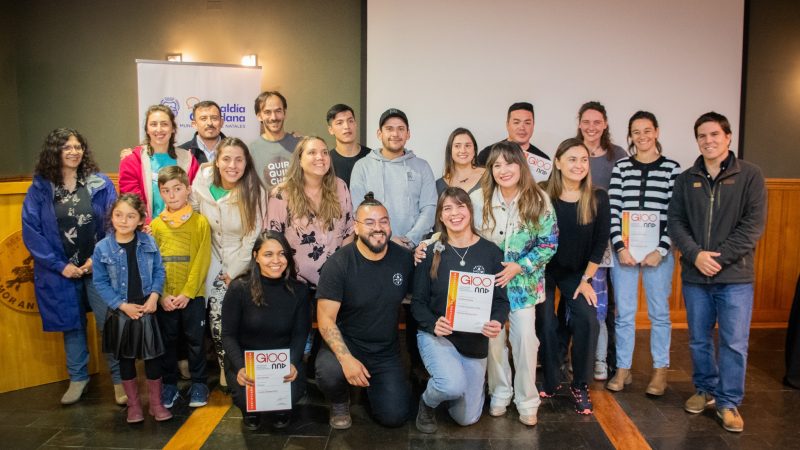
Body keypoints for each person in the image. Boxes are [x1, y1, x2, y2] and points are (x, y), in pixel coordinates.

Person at [668, 111, 767, 433]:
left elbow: (752, 226)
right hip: (696, 276)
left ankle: (728, 402)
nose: (708, 141)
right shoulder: (686, 179)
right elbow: (676, 222)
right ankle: (704, 390)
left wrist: (718, 258)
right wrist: (696, 256)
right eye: (702, 136)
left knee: (734, 342)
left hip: (735, 277)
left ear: (727, 137)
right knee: (698, 340)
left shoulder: (750, 176)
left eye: (714, 135)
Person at [21, 128, 125, 406]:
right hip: (61, 272)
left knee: (110, 324)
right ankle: (78, 378)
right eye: (66, 147)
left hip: (98, 267)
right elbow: (32, 231)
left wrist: (97, 259)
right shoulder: (41, 188)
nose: (73, 151)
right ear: (54, 152)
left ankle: (120, 381)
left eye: (78, 146)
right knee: (72, 325)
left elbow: (113, 223)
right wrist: (59, 266)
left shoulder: (100, 183)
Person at [470, 142, 558, 426]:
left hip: (523, 286)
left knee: (525, 341)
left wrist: (521, 265)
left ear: (521, 165)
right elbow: (460, 232)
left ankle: (527, 399)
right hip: (490, 287)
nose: (503, 170)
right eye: (497, 165)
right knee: (494, 341)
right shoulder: (479, 199)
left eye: (509, 163)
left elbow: (549, 244)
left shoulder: (539, 199)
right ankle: (500, 392)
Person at [411, 187, 509, 433]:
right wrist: (433, 324)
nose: (455, 213)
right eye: (447, 208)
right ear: (441, 217)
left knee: (467, 419)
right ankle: (428, 402)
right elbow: (418, 304)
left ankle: (455, 385)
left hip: (474, 341)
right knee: (450, 385)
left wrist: (496, 321)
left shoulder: (491, 252)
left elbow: (501, 301)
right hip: (438, 336)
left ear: (470, 210)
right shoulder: (430, 252)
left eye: (460, 206)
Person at [315, 193, 414, 429]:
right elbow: (325, 319)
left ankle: (375, 391)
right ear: (356, 228)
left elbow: (425, 293)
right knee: (328, 372)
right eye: (369, 223)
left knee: (395, 417)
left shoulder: (403, 259)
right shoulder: (339, 263)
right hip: (348, 343)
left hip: (385, 351)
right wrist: (346, 358)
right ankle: (340, 400)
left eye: (383, 221)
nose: (378, 228)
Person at [606, 111, 681, 395]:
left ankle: (660, 371)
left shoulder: (672, 169)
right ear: (630, 135)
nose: (642, 136)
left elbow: (675, 214)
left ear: (657, 132)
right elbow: (613, 209)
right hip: (624, 253)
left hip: (657, 255)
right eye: (636, 132)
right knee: (624, 313)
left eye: (647, 130)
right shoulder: (622, 168)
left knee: (659, 314)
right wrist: (619, 247)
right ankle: (623, 368)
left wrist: (661, 250)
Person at [192, 137, 267, 391]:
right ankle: (226, 366)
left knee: (237, 317)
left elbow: (253, 236)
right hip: (210, 258)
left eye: (238, 159)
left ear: (247, 163)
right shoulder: (201, 182)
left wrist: (233, 272)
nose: (232, 165)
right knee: (215, 319)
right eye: (226, 159)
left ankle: (243, 366)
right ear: (216, 161)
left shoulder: (256, 191)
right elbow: (192, 216)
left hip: (242, 262)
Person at [543, 138, 610, 415]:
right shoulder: (541, 195)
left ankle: (580, 384)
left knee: (587, 319)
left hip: (577, 274)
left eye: (583, 160)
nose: (578, 165)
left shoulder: (597, 197)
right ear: (558, 162)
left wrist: (586, 281)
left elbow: (599, 244)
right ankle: (551, 379)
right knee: (546, 323)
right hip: (543, 269)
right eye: (572, 159)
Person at [92, 194, 171, 423]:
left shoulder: (148, 242)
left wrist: (155, 296)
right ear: (111, 216)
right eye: (118, 215)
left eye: (130, 216)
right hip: (122, 312)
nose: (123, 220)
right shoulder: (102, 248)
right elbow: (100, 282)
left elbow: (158, 271)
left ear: (140, 220)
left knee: (153, 359)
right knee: (125, 360)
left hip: (147, 307)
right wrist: (122, 305)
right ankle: (134, 406)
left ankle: (156, 405)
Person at [221, 231, 311, 431]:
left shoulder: (299, 290)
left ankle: (281, 407)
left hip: (283, 361)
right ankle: (249, 410)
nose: (276, 260)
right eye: (268, 254)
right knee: (246, 400)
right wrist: (240, 367)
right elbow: (228, 335)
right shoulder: (239, 288)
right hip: (247, 361)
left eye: (282, 254)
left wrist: (293, 363)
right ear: (256, 256)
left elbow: (299, 334)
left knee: (292, 394)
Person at [574, 101, 627, 382]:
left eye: (597, 122)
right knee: (580, 300)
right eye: (586, 121)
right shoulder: (572, 149)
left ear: (605, 123)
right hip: (577, 236)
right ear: (579, 123)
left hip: (608, 239)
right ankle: (581, 356)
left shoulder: (617, 155)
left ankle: (607, 359)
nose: (591, 127)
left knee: (608, 304)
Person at [151, 166, 212, 408]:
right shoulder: (156, 226)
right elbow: (154, 262)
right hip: (165, 298)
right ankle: (169, 386)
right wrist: (163, 294)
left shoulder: (199, 223)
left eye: (177, 189)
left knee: (196, 342)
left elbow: (202, 259)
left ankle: (199, 383)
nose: (172, 195)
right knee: (167, 342)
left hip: (192, 297)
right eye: (166, 191)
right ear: (160, 194)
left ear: (188, 190)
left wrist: (188, 292)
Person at [268, 136, 355, 287]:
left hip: (335, 281)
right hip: (295, 283)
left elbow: (349, 231)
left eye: (325, 152)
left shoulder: (340, 187)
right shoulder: (282, 193)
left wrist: (344, 270)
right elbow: (272, 238)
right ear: (299, 160)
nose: (320, 157)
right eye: (312, 152)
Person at [349, 108, 437, 249]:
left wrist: (409, 240)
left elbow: (429, 208)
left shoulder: (422, 167)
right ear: (379, 133)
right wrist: (382, 240)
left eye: (401, 129)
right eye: (389, 128)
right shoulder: (362, 166)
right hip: (373, 248)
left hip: (412, 249)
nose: (395, 134)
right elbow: (358, 211)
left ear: (408, 134)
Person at [119, 104, 200, 222]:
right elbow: (131, 201)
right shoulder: (132, 161)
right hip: (146, 230)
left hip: (180, 228)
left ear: (173, 128)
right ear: (147, 129)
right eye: (153, 124)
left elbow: (194, 197)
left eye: (164, 124)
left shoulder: (188, 160)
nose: (159, 129)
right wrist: (150, 226)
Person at [476, 102, 551, 182]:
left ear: (533, 125)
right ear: (507, 125)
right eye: (516, 122)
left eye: (527, 123)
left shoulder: (543, 161)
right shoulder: (488, 153)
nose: (522, 127)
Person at [249, 91, 300, 187]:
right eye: (267, 112)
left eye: (278, 111)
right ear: (259, 116)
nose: (274, 117)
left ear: (285, 113)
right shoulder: (251, 150)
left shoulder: (300, 145)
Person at [326, 104, 372, 187]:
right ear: (331, 130)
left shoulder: (372, 157)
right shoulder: (327, 161)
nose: (347, 126)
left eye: (350, 121)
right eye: (340, 123)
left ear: (356, 124)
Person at [435, 128, 485, 195]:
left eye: (467, 145)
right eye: (457, 146)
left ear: (474, 150)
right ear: (450, 151)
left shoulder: (488, 175)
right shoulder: (439, 185)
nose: (463, 150)